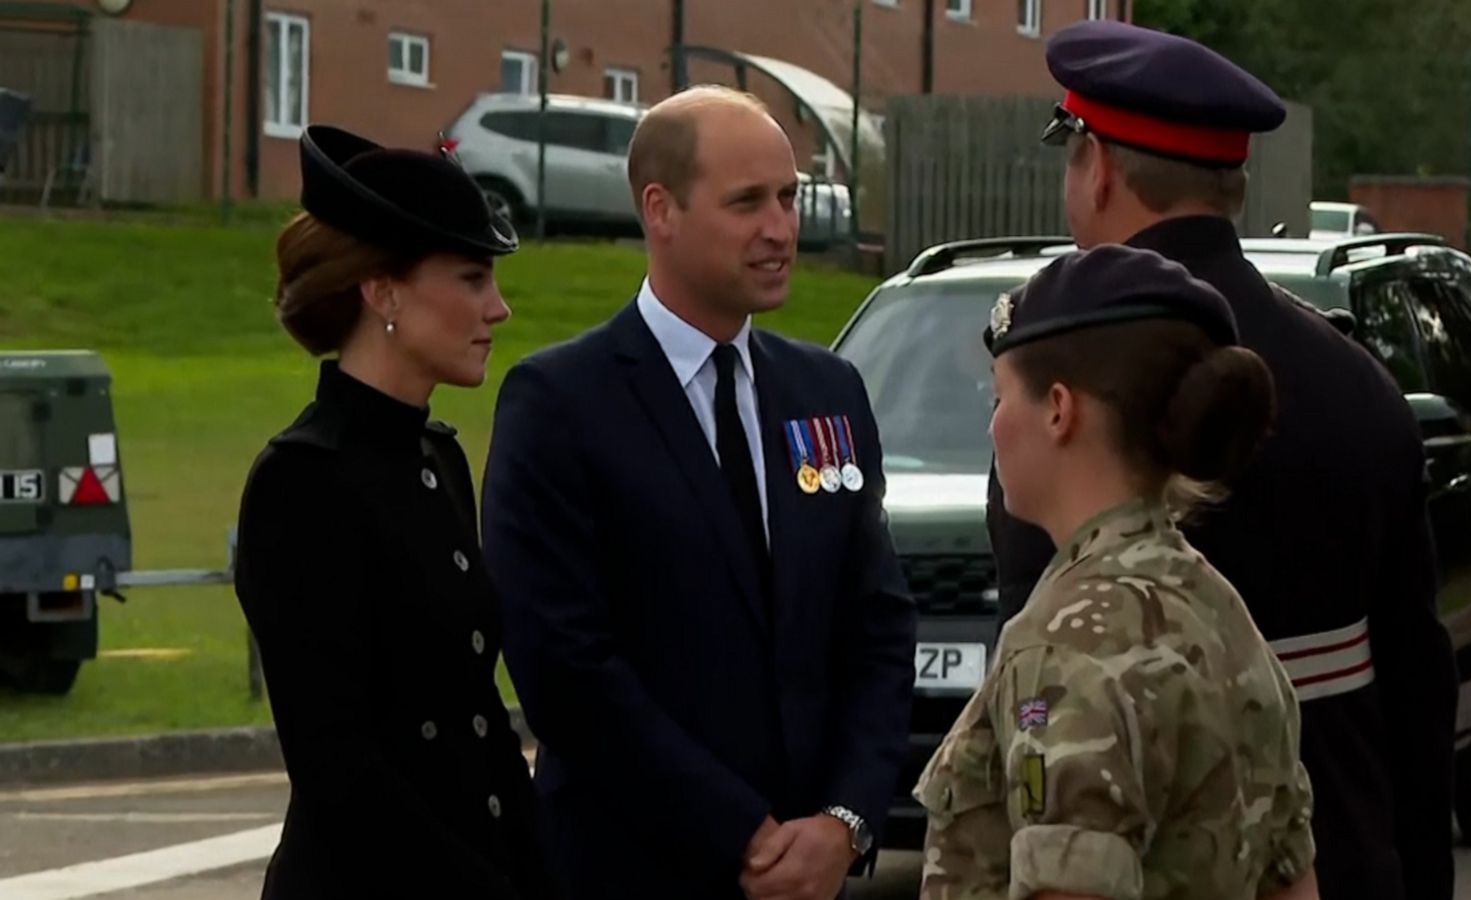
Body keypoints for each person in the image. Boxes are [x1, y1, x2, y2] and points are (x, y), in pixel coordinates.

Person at [986, 19, 1458, 900]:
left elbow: (1033, 702)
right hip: (1342, 861)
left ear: (1100, 168)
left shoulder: (1064, 388)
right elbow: (1419, 692)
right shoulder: (1360, 383)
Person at [481, 85, 917, 900]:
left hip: (809, 874)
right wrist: (741, 833)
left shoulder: (827, 392)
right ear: (661, 209)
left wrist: (844, 822)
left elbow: (878, 628)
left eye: (789, 198)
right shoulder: (562, 403)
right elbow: (563, 665)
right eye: (747, 202)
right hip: (629, 872)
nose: (780, 228)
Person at [917, 243, 1318, 900]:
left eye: (998, 398)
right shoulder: (1219, 612)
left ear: (1057, 409)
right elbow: (1292, 881)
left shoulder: (1064, 647)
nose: (992, 427)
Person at [232, 124, 553, 899]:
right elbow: (337, 765)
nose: (498, 308)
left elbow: (475, 713)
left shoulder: (437, 458)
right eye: (472, 278)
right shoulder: (301, 482)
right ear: (382, 292)